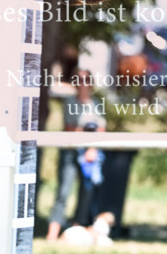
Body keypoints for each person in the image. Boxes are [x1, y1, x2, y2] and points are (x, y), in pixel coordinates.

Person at [45, 69, 106, 241]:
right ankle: (52, 234)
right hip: (71, 152)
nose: (82, 84)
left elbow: (101, 128)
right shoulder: (69, 102)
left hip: (89, 153)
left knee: (87, 192)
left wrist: (91, 147)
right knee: (63, 192)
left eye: (86, 80)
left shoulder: (96, 104)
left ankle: (78, 229)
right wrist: (85, 130)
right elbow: (68, 127)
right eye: (79, 80)